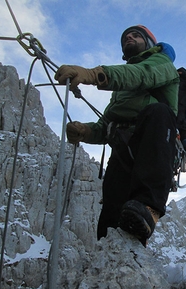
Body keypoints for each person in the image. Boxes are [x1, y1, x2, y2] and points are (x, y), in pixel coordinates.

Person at [55, 25, 179, 247]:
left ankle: (150, 207)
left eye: (135, 35)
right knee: (110, 219)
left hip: (153, 141)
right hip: (123, 148)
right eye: (125, 38)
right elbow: (106, 126)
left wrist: (94, 75)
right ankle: (110, 256)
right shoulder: (122, 90)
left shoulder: (162, 64)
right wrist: (85, 131)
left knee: (158, 111)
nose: (128, 38)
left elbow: (142, 74)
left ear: (149, 43)